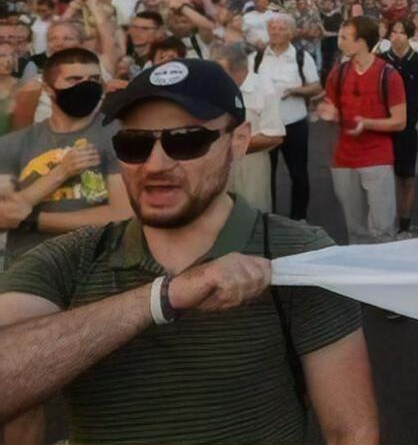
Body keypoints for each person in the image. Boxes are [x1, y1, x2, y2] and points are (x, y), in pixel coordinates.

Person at [0, 58, 378, 445]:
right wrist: (163, 298)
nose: (155, 165)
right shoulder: (71, 260)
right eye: (134, 145)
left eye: (186, 141)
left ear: (239, 141)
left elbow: (351, 432)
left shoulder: (297, 255)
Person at [0, 49, 131, 266]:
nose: (86, 86)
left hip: (96, 264)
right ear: (48, 89)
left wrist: (33, 220)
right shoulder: (16, 143)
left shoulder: (117, 134)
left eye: (94, 79)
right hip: (28, 265)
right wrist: (61, 172)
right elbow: (3, 215)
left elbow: (121, 215)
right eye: (74, 79)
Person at [317, 17, 406, 244]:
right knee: (355, 229)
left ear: (361, 42)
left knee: (382, 230)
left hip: (377, 158)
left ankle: (382, 266)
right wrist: (329, 113)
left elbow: (399, 121)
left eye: (344, 37)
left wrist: (366, 123)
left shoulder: (388, 75)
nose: (339, 42)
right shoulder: (338, 74)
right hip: (344, 160)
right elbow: (332, 109)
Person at [250, 14, 322, 221]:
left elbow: (316, 87)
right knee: (265, 174)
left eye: (281, 29)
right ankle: (268, 217)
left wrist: (294, 91)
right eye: (272, 28)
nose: (275, 32)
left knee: (298, 173)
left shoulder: (301, 57)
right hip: (265, 126)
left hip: (294, 123)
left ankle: (299, 218)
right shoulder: (257, 57)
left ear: (291, 33)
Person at [212, 43, 285, 211]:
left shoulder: (265, 89)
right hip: (218, 165)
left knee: (254, 211)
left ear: (239, 69)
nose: (216, 78)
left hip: (252, 164)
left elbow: (274, 137)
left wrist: (230, 148)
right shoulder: (215, 89)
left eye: (221, 71)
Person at [381, 18, 418, 234]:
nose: (397, 36)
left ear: (409, 35)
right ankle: (387, 223)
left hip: (409, 129)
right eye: (393, 32)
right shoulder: (380, 61)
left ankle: (404, 225)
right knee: (385, 179)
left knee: (407, 178)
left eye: (402, 32)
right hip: (384, 129)